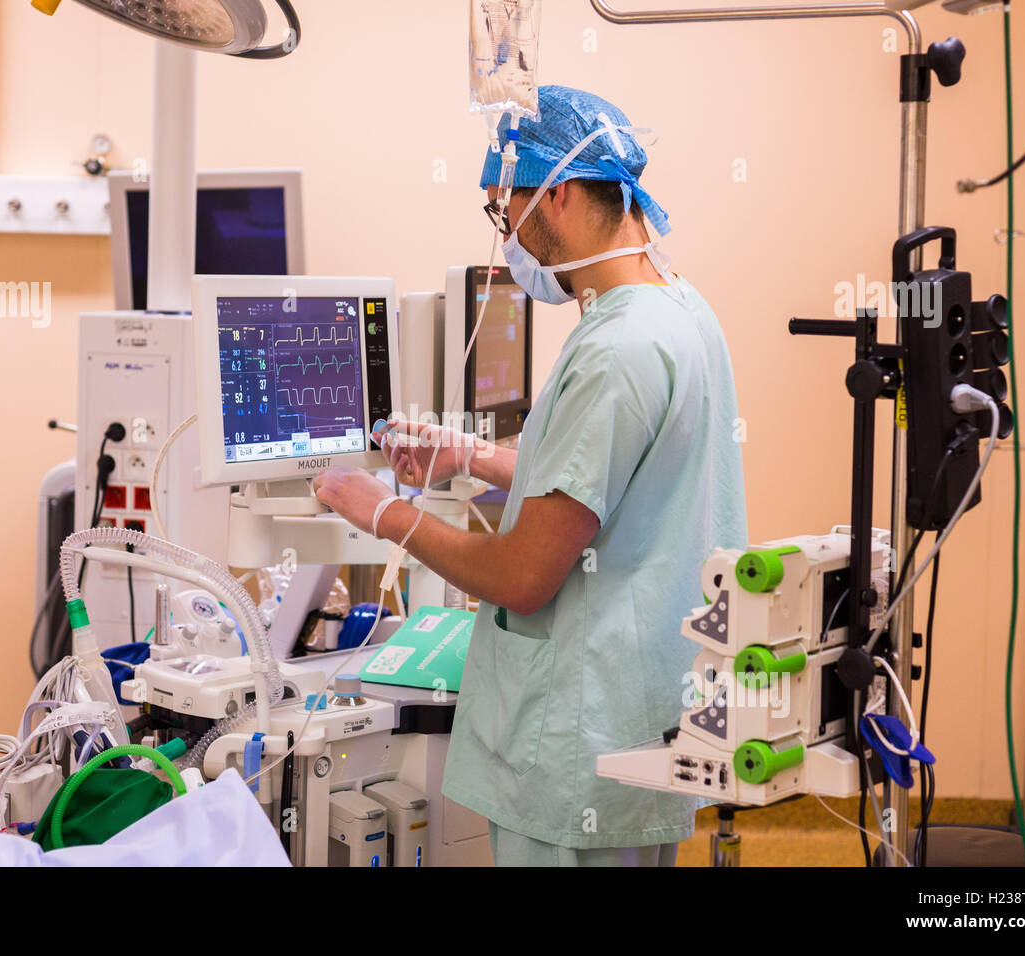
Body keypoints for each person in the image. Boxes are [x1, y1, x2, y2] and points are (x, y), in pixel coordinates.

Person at [312, 85, 748, 866]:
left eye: (501, 209)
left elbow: (523, 576)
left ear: (560, 194)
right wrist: (471, 456)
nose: (504, 237)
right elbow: (611, 488)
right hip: (641, 716)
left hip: (578, 745)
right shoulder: (679, 311)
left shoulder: (616, 351)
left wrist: (386, 515)